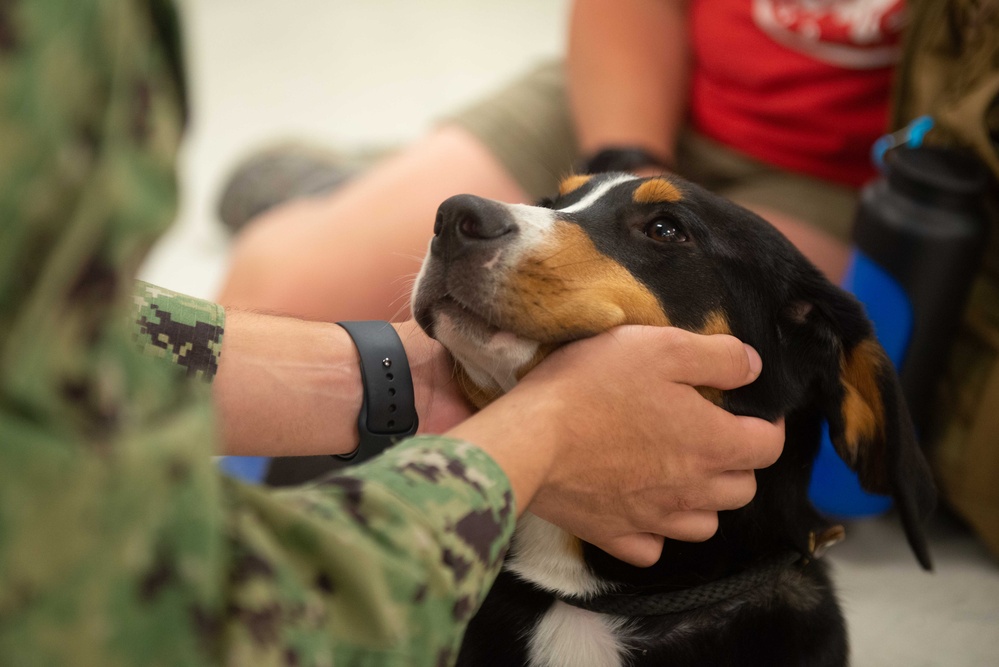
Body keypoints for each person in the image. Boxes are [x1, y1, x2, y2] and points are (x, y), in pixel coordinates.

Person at [0, 1, 784, 664]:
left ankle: (347, 190)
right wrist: (536, 437)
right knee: (276, 280)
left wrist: (392, 373)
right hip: (625, 100)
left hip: (827, 185)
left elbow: (48, 339)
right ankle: (348, 191)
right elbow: (193, 619)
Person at [218, 0, 906, 321]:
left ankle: (364, 183)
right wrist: (623, 172)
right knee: (266, 307)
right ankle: (361, 197)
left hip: (844, 180)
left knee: (677, 402)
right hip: (652, 85)